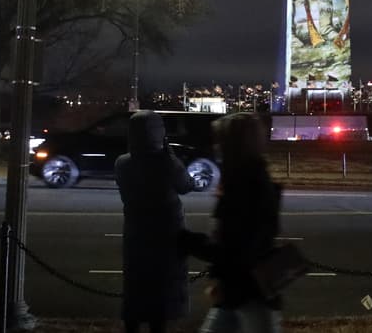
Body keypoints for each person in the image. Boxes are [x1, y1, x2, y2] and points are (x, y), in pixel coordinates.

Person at [181, 112, 282, 333]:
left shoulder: (244, 186)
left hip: (248, 291)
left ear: (234, 145)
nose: (215, 147)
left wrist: (185, 240)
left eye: (220, 140)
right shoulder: (248, 179)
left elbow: (236, 245)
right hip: (242, 289)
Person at [115, 110, 195, 333]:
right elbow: (186, 185)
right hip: (165, 234)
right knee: (160, 293)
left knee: (135, 287)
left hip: (135, 233)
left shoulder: (122, 163)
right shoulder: (167, 163)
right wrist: (169, 155)